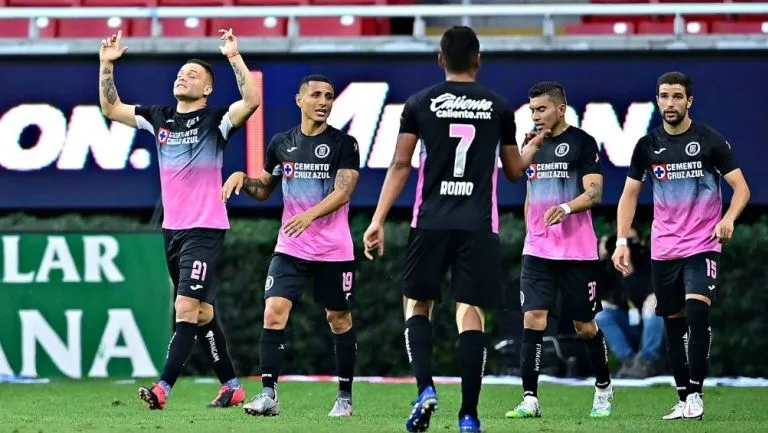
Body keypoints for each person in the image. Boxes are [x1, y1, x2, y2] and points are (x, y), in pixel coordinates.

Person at [362, 26, 543, 433]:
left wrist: (376, 220)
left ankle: (425, 388)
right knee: (470, 312)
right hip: (478, 224)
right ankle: (469, 415)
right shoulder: (498, 107)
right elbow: (515, 172)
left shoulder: (419, 103)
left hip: (430, 221)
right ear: (478, 60)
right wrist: (532, 146)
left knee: (417, 304)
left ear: (440, 60)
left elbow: (401, 165)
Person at [98, 29, 260, 410]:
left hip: (205, 228)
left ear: (207, 90)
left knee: (184, 308)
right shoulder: (159, 118)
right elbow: (111, 108)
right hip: (172, 230)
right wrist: (106, 65)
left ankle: (162, 388)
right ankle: (232, 385)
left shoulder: (216, 120)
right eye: (180, 72)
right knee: (201, 312)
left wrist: (234, 56)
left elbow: (251, 101)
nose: (182, 76)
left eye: (193, 74)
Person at [221, 75, 361, 418]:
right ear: (300, 100)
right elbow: (265, 188)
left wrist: (309, 215)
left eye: (329, 96)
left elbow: (343, 192)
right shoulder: (281, 142)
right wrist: (243, 177)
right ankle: (268, 394)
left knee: (338, 319)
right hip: (291, 246)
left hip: (333, 249)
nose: (324, 101)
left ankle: (344, 397)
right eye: (316, 95)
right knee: (273, 311)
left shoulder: (345, 143)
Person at [613, 71, 750, 420]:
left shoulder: (709, 140)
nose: (669, 103)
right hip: (664, 249)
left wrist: (729, 218)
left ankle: (697, 395)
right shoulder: (647, 146)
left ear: (689, 101)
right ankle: (682, 396)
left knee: (698, 311)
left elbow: (742, 188)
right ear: (657, 100)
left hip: (703, 244)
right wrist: (621, 239)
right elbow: (629, 194)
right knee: (673, 322)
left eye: (676, 96)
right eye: (663, 96)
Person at [504, 81, 614, 420]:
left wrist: (565, 209)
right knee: (533, 318)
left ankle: (603, 386)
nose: (536, 116)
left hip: (577, 253)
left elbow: (594, 193)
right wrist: (530, 232)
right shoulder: (531, 146)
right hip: (538, 250)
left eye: (542, 109)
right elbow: (527, 191)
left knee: (584, 325)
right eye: (532, 110)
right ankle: (530, 398)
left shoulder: (582, 143)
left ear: (560, 108)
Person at [596, 230, 665, 379]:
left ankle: (647, 360)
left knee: (655, 303)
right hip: (628, 322)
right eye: (623, 241)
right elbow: (596, 289)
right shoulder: (611, 267)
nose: (627, 246)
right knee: (600, 313)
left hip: (651, 324)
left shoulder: (649, 262)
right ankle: (630, 361)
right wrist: (602, 258)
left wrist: (631, 272)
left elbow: (647, 291)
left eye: (631, 240)